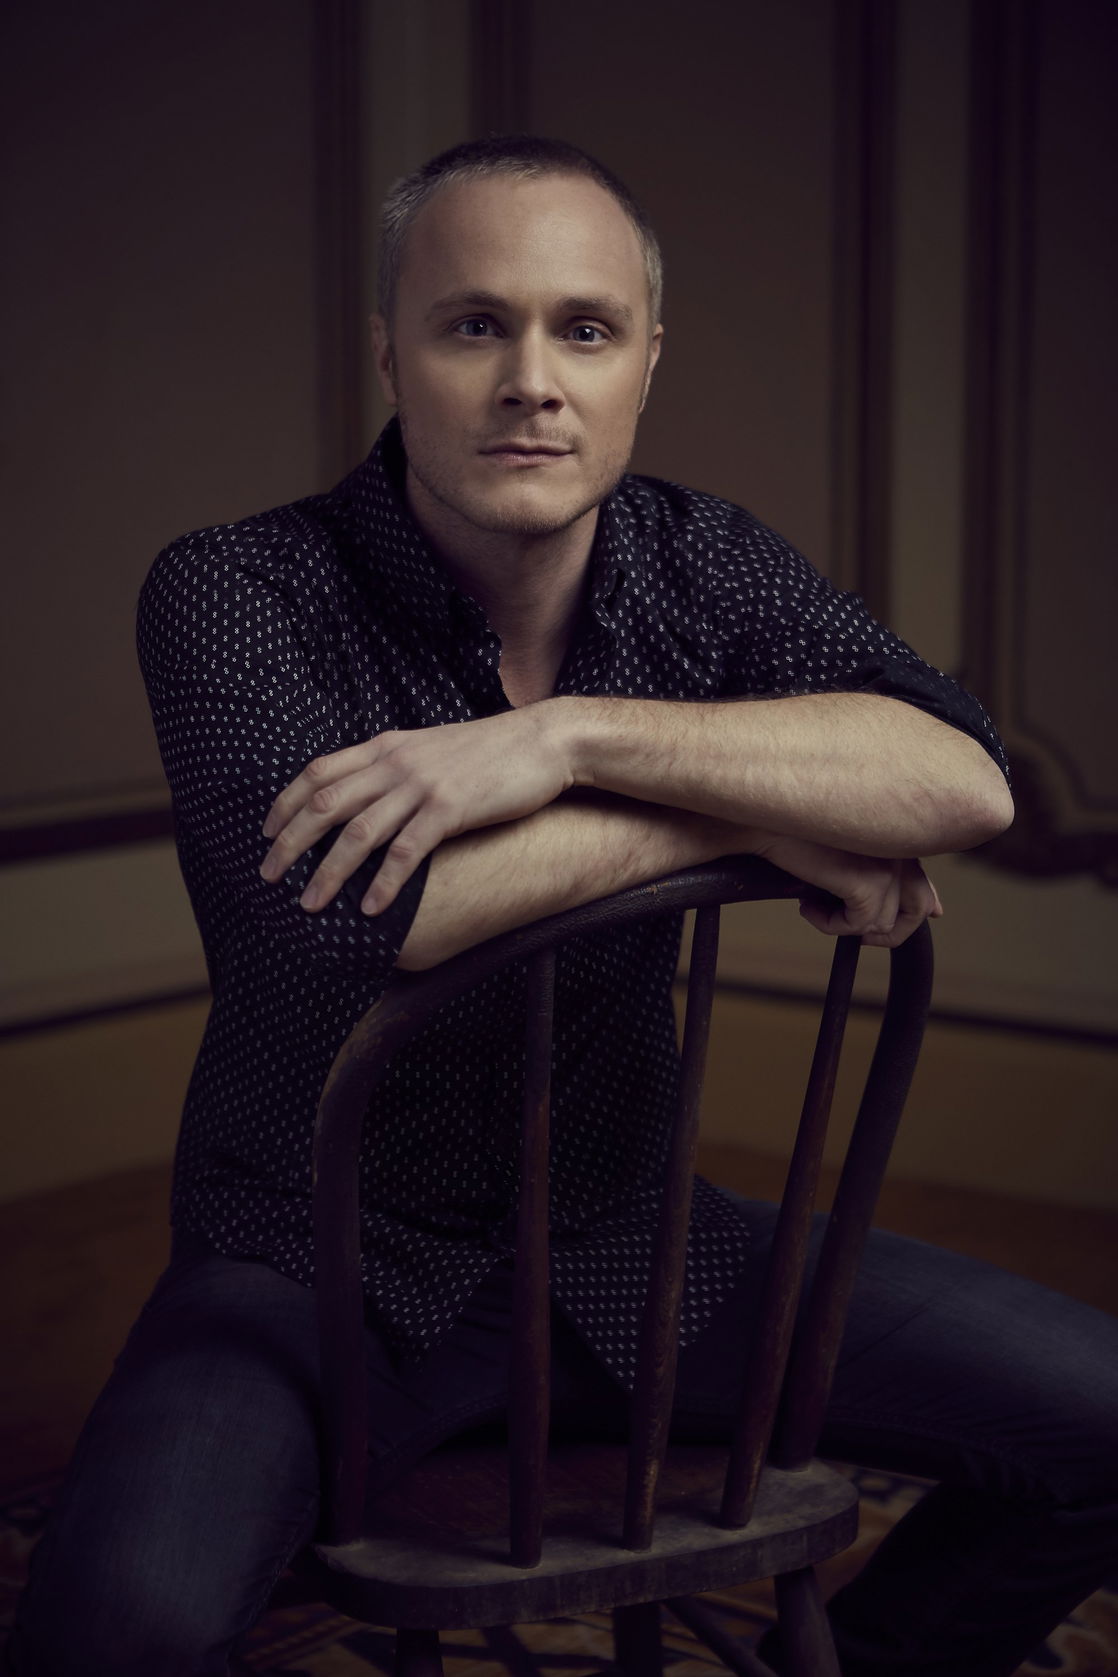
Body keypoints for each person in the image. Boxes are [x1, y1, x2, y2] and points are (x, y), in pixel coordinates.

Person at [9, 134, 1116, 1677]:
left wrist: (570, 739)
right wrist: (744, 816)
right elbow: (370, 918)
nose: (531, 380)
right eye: (474, 324)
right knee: (112, 1627)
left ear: (644, 362)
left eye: (583, 329)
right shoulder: (235, 587)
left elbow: (962, 780)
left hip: (633, 1246)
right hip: (312, 1263)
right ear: (388, 352)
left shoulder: (698, 560)